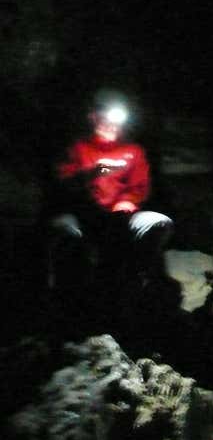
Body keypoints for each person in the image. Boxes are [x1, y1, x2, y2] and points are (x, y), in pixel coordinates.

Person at [48, 92, 173, 291]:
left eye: (115, 121)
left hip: (122, 215)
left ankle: (139, 279)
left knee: (159, 222)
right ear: (93, 117)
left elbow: (140, 186)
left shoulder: (133, 151)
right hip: (84, 214)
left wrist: (126, 200)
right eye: (104, 119)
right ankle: (76, 285)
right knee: (66, 232)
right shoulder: (77, 148)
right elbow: (64, 183)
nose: (110, 125)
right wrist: (92, 174)